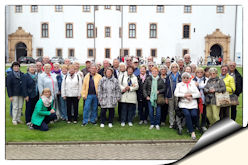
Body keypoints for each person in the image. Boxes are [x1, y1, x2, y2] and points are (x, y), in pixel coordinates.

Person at [174, 72, 201, 140]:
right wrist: (185, 95)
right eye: (184, 78)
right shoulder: (179, 84)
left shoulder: (193, 84)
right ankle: (192, 132)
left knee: (194, 115)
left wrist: (191, 95)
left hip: (193, 103)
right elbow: (176, 93)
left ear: (189, 78)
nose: (186, 79)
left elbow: (198, 94)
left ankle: (192, 126)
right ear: (182, 78)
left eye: (187, 78)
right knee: (187, 115)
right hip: (183, 103)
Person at [165, 63, 182, 134]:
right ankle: (171, 123)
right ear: (171, 68)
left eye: (176, 67)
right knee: (171, 110)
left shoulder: (180, 76)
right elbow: (166, 87)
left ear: (178, 68)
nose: (174, 68)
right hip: (170, 95)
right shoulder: (168, 76)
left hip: (178, 95)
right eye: (173, 67)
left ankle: (178, 123)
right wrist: (166, 97)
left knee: (177, 110)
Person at [193, 68, 209, 132]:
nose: (200, 73)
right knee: (196, 113)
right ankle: (196, 125)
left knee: (204, 113)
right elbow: (193, 87)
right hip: (196, 99)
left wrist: (198, 85)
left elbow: (206, 86)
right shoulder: (193, 80)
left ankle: (203, 125)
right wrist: (201, 86)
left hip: (203, 98)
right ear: (196, 73)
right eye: (198, 72)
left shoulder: (206, 79)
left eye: (201, 72)